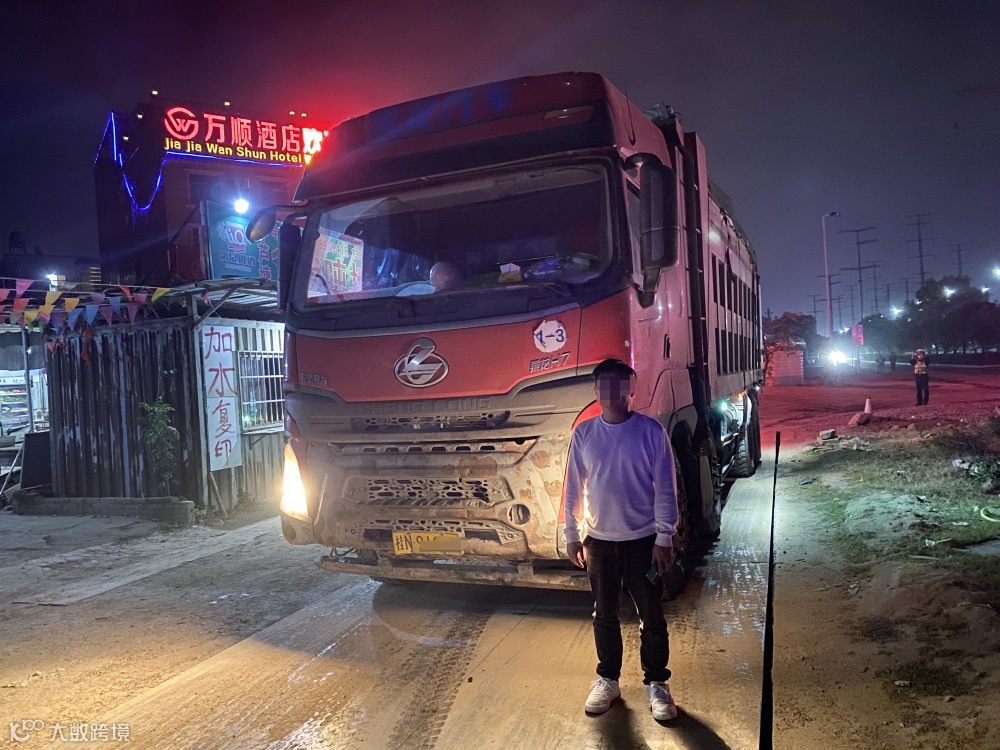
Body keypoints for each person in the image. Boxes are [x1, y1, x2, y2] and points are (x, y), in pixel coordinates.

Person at [564, 358, 680, 722]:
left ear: (632, 390)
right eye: (605, 385)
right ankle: (608, 680)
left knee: (651, 614)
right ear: (596, 391)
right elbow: (573, 489)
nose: (613, 393)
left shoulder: (650, 431)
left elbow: (666, 487)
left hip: (643, 541)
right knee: (604, 614)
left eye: (620, 385)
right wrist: (571, 534)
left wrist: (664, 536)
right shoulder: (584, 434)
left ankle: (657, 683)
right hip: (599, 542)